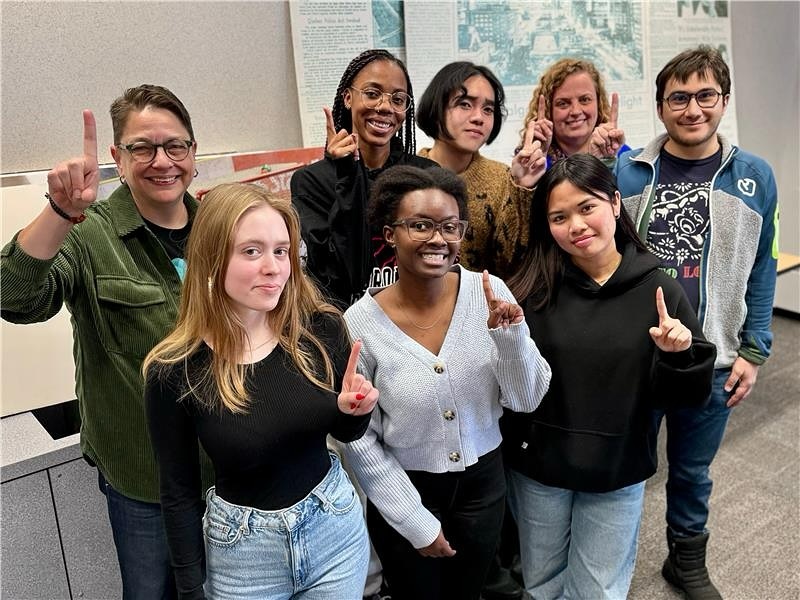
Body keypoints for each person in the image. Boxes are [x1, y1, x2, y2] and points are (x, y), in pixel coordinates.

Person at [1, 85, 201, 599]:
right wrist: (60, 212)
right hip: (143, 480)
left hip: (227, 472)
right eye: (142, 147)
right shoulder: (91, 234)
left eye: (175, 146)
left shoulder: (220, 230)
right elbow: (15, 297)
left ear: (193, 154)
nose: (162, 162)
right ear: (117, 156)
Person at [143, 183, 379, 599]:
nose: (273, 267)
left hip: (334, 528)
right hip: (243, 556)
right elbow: (178, 490)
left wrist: (353, 413)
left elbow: (344, 435)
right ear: (212, 260)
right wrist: (190, 587)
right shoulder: (173, 370)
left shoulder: (320, 329)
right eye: (251, 251)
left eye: (281, 251)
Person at [501, 153, 716, 600]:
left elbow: (687, 397)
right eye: (559, 217)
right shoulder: (532, 289)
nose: (576, 225)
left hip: (617, 466)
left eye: (587, 207)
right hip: (540, 465)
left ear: (616, 204)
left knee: (598, 589)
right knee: (540, 581)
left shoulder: (659, 288)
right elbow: (512, 385)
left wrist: (678, 355)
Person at [614, 45, 779, 599]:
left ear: (724, 101)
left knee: (691, 471)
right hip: (636, 356)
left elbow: (763, 266)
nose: (693, 109)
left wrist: (754, 350)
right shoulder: (630, 171)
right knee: (626, 467)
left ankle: (686, 560)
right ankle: (610, 561)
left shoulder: (754, 176)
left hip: (711, 359)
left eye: (705, 95)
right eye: (678, 97)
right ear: (661, 107)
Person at [342, 165, 552, 600]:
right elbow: (360, 440)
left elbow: (527, 399)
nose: (438, 239)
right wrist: (415, 522)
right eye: (420, 225)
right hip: (406, 487)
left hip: (484, 486)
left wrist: (510, 338)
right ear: (390, 234)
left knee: (467, 593)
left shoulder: (491, 294)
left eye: (450, 226)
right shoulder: (359, 323)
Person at [291, 48, 436, 309]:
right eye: (372, 94)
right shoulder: (311, 182)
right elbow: (335, 278)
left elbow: (438, 265)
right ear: (348, 98)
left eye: (398, 99)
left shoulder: (427, 177)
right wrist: (348, 173)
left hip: (414, 323)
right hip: (346, 327)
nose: (384, 107)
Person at [416, 61, 546, 280]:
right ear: (437, 107)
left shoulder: (504, 178)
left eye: (488, 109)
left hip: (483, 306)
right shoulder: (407, 175)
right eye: (465, 104)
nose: (478, 117)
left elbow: (512, 267)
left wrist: (521, 189)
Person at [519, 57, 629, 168]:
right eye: (563, 103)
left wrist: (606, 162)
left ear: (599, 103)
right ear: (549, 109)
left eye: (585, 99)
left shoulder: (623, 157)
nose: (576, 111)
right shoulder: (534, 161)